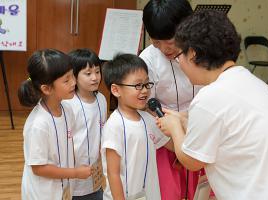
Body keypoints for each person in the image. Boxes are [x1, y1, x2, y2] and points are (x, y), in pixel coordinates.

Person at [157, 10, 268, 200]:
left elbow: (192, 161)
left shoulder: (210, 97)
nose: (179, 63)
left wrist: (174, 128)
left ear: (192, 54)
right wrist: (185, 119)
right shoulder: (250, 81)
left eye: (179, 56)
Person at [139, 0, 201, 199]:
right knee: (168, 192)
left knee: (201, 190)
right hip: (163, 136)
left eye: (169, 42)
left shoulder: (204, 53)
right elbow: (145, 106)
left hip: (201, 130)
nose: (164, 49)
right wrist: (174, 143)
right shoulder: (148, 59)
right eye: (156, 42)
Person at [18, 49, 92, 200]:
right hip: (43, 193)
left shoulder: (67, 109)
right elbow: (39, 168)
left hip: (62, 188)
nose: (73, 82)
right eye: (66, 80)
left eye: (72, 75)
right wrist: (76, 173)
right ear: (46, 88)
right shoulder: (38, 125)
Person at [101, 54, 173, 200]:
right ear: (116, 90)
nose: (145, 90)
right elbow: (113, 173)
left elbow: (171, 144)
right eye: (138, 85)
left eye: (147, 84)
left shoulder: (148, 119)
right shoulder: (115, 125)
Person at [65, 48, 107, 200]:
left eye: (97, 71)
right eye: (88, 74)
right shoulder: (68, 104)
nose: (95, 77)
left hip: (95, 174)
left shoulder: (101, 99)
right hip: (73, 173)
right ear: (73, 76)